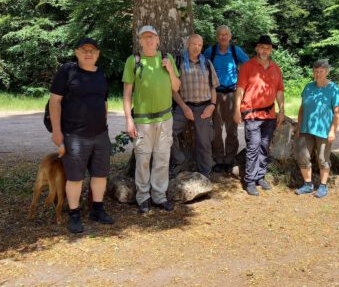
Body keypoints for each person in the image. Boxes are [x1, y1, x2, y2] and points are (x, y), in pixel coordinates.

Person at [49, 37, 114, 233]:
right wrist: (57, 132)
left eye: (92, 50)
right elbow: (54, 102)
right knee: (75, 177)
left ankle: (97, 209)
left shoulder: (101, 74)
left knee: (100, 174)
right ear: (77, 52)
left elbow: (104, 102)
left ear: (98, 54)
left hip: (100, 134)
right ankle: (74, 214)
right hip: (74, 135)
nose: (88, 53)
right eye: (84, 50)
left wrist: (105, 125)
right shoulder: (67, 71)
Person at [122, 25, 180, 213]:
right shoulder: (134, 61)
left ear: (158, 40)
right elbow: (127, 94)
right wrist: (129, 120)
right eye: (144, 37)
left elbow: (177, 87)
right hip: (142, 120)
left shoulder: (167, 58)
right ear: (139, 41)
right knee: (143, 159)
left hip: (165, 118)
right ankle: (143, 197)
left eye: (151, 36)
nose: (148, 40)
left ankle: (159, 196)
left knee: (163, 158)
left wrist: (170, 70)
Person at [234, 35, 285, 196]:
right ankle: (249, 181)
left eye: (268, 48)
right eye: (262, 47)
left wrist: (281, 110)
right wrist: (236, 110)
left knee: (264, 147)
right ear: (256, 48)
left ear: (271, 50)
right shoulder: (247, 66)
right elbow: (240, 90)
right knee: (253, 146)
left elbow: (279, 91)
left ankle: (259, 176)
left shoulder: (276, 68)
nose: (264, 50)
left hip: (269, 115)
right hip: (252, 115)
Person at [171, 34, 219, 178]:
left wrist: (212, 105)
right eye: (194, 44)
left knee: (204, 142)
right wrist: (184, 108)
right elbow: (173, 90)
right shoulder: (178, 61)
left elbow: (213, 87)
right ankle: (179, 160)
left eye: (199, 45)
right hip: (183, 106)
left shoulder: (207, 63)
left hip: (204, 107)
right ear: (188, 44)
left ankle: (205, 174)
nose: (196, 47)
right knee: (167, 131)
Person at [294, 59, 339, 198]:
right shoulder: (308, 87)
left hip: (324, 130)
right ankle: (308, 184)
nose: (318, 74)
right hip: (306, 128)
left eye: (321, 71)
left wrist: (333, 130)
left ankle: (323, 186)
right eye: (315, 71)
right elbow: (302, 109)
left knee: (323, 158)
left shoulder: (333, 88)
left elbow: (337, 112)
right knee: (302, 156)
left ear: (327, 72)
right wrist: (298, 127)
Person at [203, 25, 250, 173]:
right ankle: (218, 159)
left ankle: (229, 159)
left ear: (230, 37)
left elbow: (248, 66)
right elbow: (202, 69)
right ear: (217, 37)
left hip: (232, 94)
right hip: (214, 94)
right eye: (220, 35)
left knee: (232, 128)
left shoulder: (236, 51)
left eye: (226, 35)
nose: (223, 37)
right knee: (216, 129)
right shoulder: (210, 51)